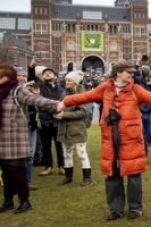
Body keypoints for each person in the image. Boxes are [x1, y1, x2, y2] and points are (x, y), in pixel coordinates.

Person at [58, 61, 151, 220]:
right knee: (112, 174)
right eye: (127, 72)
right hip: (110, 139)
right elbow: (84, 96)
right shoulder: (105, 88)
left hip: (131, 139)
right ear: (118, 73)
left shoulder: (136, 89)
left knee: (133, 174)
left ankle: (135, 208)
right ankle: (115, 209)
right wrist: (64, 102)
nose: (131, 75)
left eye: (131, 72)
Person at [0, 64, 61, 214]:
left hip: (15, 139)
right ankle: (8, 201)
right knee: (6, 173)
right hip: (1, 139)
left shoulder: (18, 91)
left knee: (17, 173)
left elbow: (37, 100)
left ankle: (24, 201)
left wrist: (58, 104)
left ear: (5, 77)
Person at [55, 71, 92, 186]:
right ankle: (68, 177)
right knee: (67, 153)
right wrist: (57, 114)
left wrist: (65, 115)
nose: (67, 82)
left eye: (69, 80)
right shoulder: (63, 94)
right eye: (66, 80)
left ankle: (87, 178)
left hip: (77, 129)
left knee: (81, 153)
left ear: (75, 82)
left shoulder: (82, 95)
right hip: (64, 128)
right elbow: (58, 107)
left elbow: (83, 112)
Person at [36, 66, 66, 176]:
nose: (47, 74)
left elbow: (64, 103)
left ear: (55, 76)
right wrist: (54, 112)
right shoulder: (40, 87)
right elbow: (41, 103)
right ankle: (48, 167)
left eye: (50, 72)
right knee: (45, 145)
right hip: (45, 121)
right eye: (45, 73)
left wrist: (61, 113)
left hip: (58, 121)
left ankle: (61, 166)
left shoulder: (61, 89)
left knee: (59, 145)